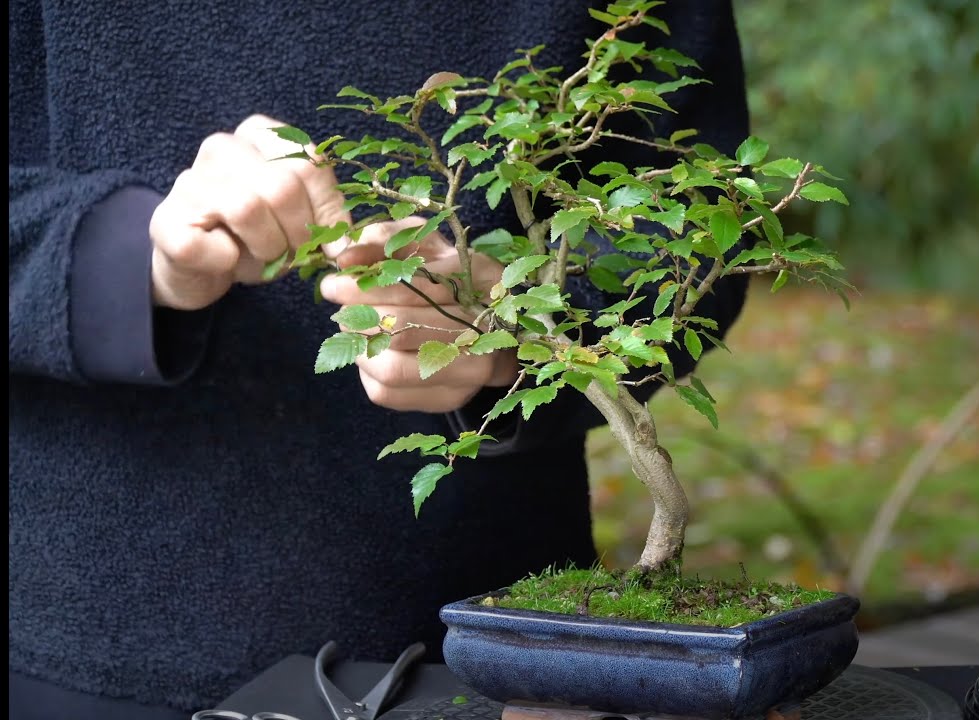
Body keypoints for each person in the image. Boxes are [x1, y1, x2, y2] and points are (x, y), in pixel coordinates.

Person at [8, 1, 751, 717]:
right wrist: (129, 256)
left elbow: (704, 214)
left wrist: (514, 328)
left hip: (496, 646)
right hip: (80, 637)